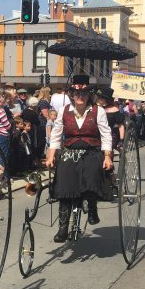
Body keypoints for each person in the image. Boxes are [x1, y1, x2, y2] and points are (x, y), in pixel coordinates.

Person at [46, 75, 113, 242]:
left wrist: (107, 157)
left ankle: (92, 207)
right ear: (72, 95)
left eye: (83, 93)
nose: (80, 97)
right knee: (64, 185)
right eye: (77, 93)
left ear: (89, 94)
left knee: (91, 173)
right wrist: (51, 157)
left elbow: (106, 135)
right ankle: (62, 229)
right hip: (70, 151)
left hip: (92, 151)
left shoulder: (98, 111)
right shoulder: (64, 111)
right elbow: (55, 136)